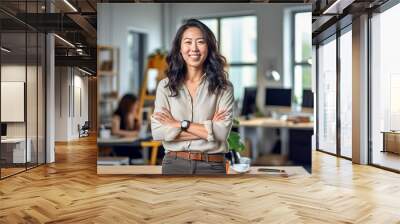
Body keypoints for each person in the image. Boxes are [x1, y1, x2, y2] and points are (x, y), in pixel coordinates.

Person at [151, 19, 234, 175]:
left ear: (208, 47)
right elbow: (158, 132)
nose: (194, 48)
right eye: (188, 42)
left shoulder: (224, 87)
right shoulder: (165, 86)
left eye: (200, 42)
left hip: (213, 166)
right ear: (180, 49)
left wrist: (178, 124)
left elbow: (222, 133)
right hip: (174, 164)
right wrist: (208, 131)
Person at [112, 94, 143, 164]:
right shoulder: (117, 115)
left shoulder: (132, 115)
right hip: (122, 146)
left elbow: (138, 130)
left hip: (132, 144)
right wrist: (133, 134)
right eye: (135, 104)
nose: (136, 107)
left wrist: (137, 117)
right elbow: (115, 131)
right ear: (129, 104)